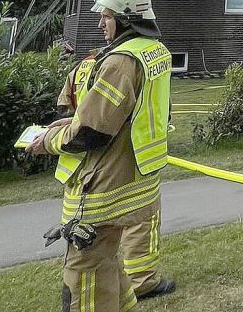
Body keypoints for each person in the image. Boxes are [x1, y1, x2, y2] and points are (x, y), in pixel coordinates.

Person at [28, 0, 174, 312]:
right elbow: (129, 115)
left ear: (124, 18)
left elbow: (91, 133)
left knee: (86, 268)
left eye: (106, 16)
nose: (100, 24)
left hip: (102, 184)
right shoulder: (154, 52)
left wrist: (47, 142)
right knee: (109, 258)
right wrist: (67, 123)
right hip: (137, 177)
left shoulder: (120, 62)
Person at [55, 45, 174, 301]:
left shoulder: (86, 66)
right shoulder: (131, 61)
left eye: (106, 18)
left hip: (91, 168)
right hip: (124, 165)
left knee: (105, 250)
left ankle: (135, 284)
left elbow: (68, 106)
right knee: (126, 234)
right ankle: (142, 281)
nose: (101, 24)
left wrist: (68, 126)